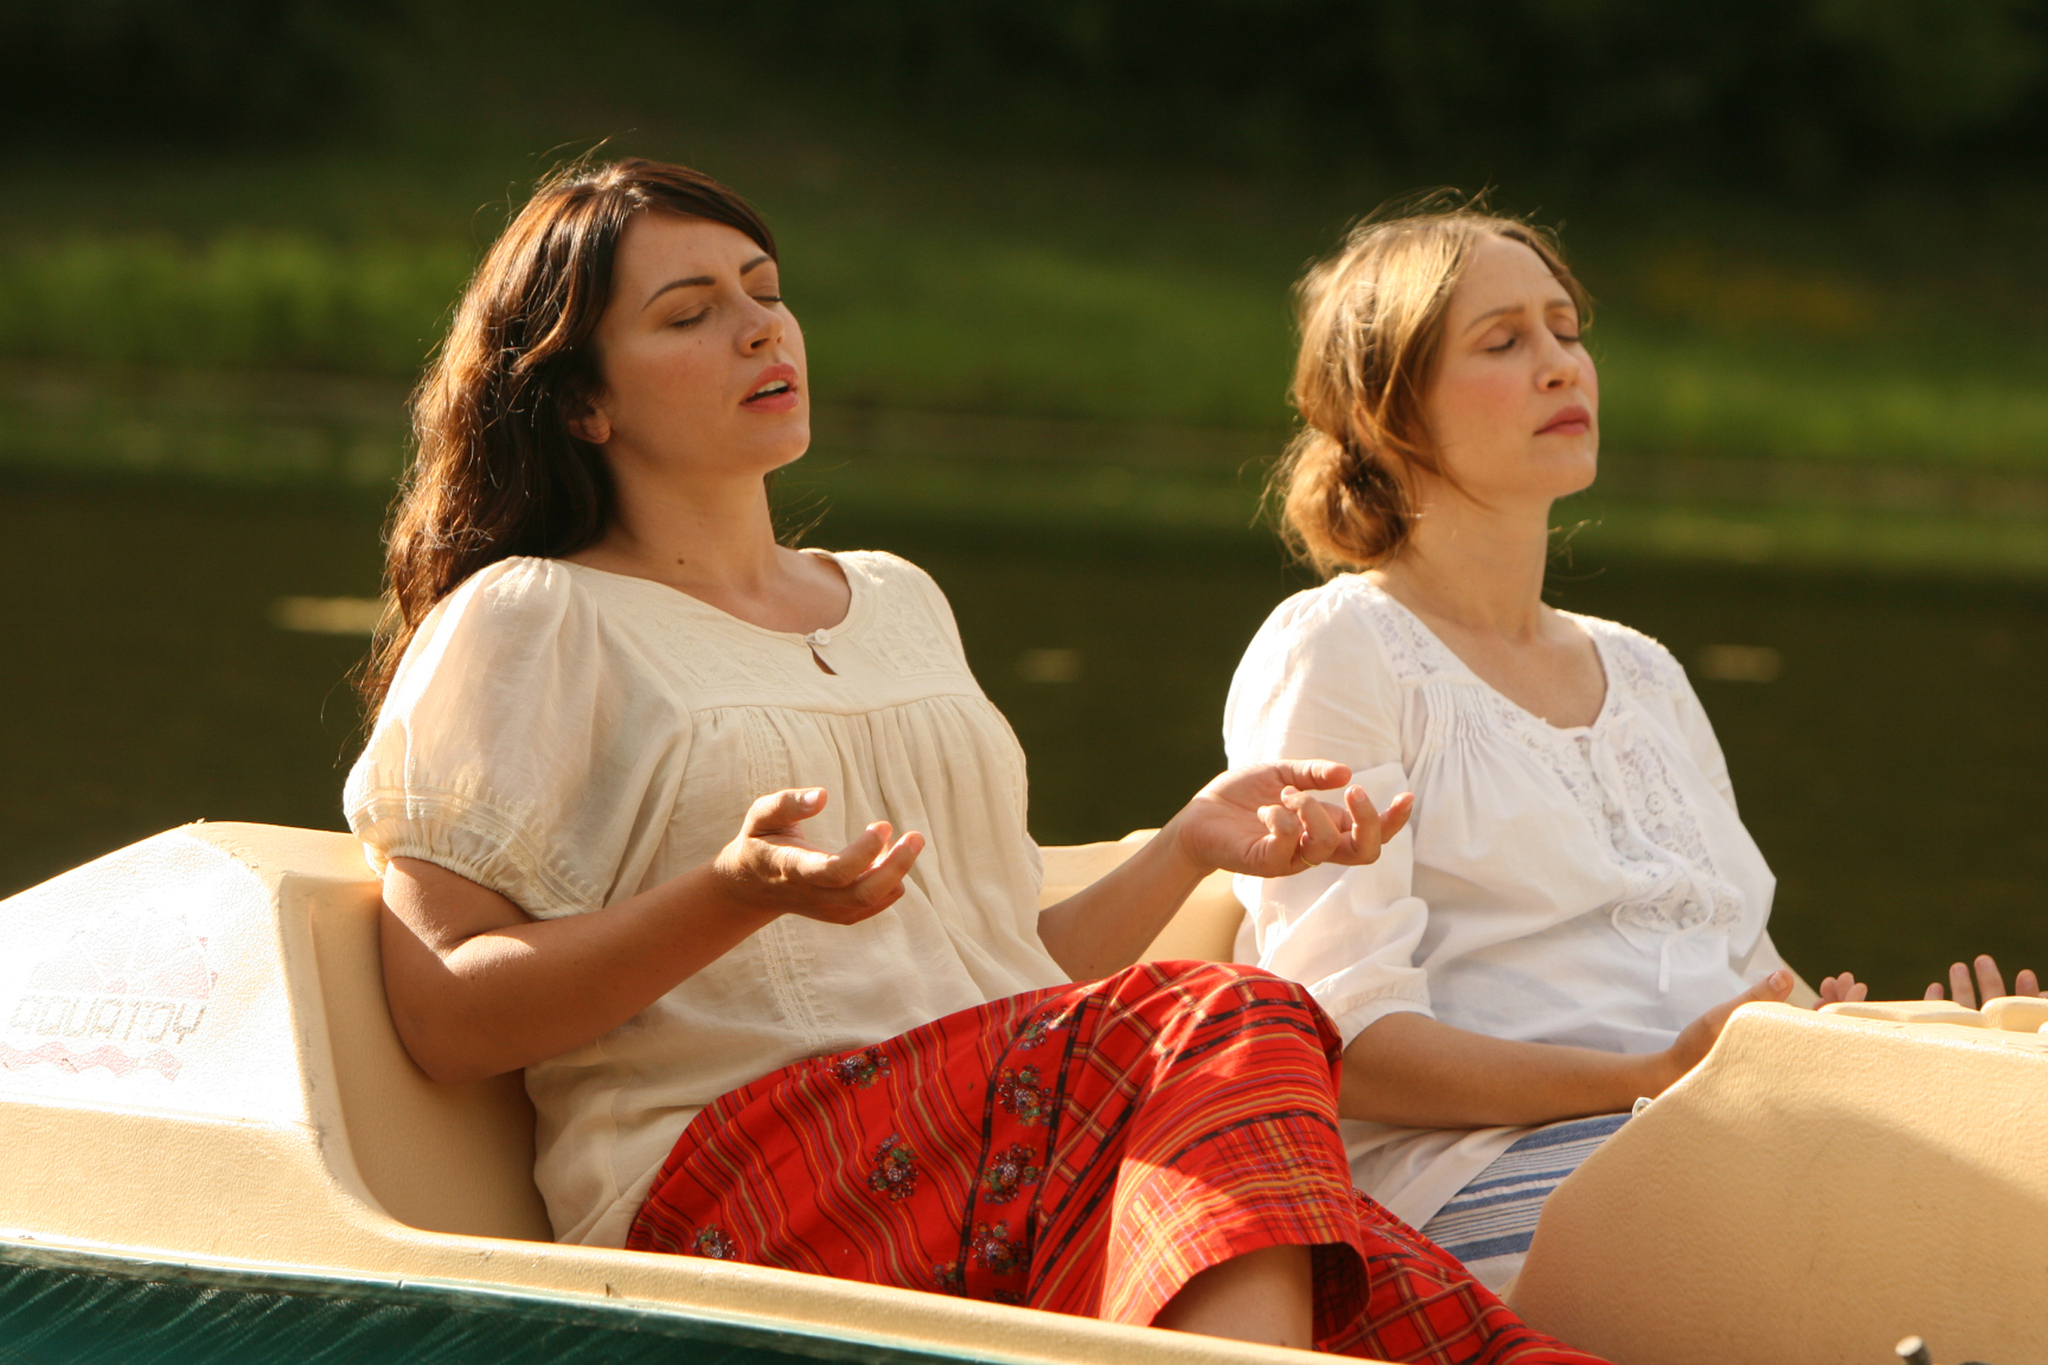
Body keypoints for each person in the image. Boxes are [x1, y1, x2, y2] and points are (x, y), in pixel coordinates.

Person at [344, 158, 1608, 1363]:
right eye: (690, 314)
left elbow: (998, 975)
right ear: (582, 401)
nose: (757, 330)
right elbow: (444, 1012)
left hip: (979, 1155)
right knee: (1240, 1017)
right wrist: (727, 897)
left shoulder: (897, 602)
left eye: (766, 294)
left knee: (1436, 1320)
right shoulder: (534, 615)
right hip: (729, 1190)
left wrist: (1185, 846)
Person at [1223, 203, 2040, 1291]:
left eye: (1565, 329)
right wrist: (1651, 1078)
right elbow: (1344, 1047)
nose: (1562, 365)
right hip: (1473, 1177)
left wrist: (1899, 1043)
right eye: (1503, 340)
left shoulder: (1642, 672)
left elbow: (1739, 979)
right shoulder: (1340, 647)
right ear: (1384, 411)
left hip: (1714, 1131)